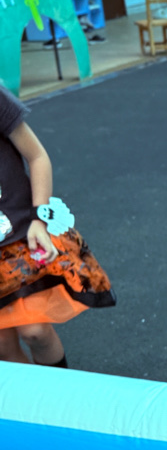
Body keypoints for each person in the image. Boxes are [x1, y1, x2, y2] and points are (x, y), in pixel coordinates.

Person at [0, 86, 115, 367]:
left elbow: (37, 156)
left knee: (35, 331)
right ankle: (31, 396)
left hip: (22, 233)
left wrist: (39, 218)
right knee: (2, 345)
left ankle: (61, 390)